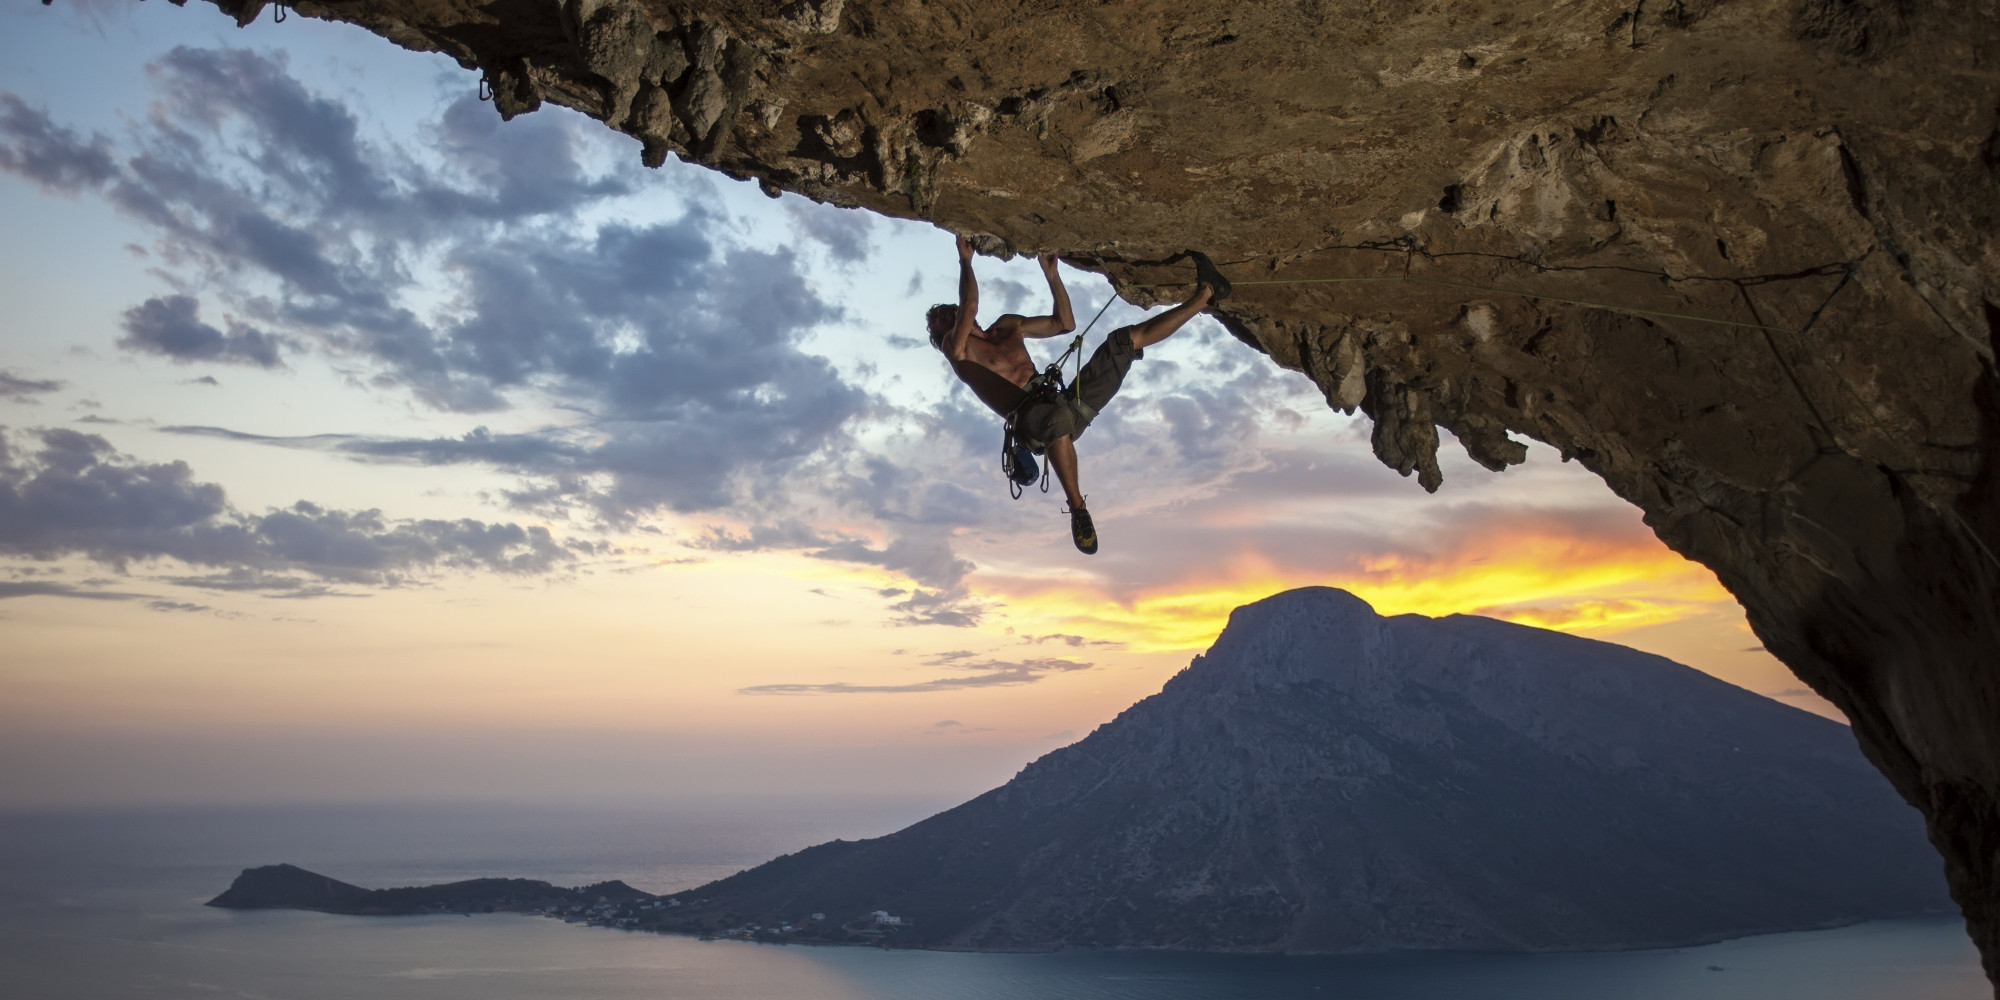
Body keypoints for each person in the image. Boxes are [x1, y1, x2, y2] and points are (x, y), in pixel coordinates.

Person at [927, 234, 1231, 554]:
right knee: (1055, 421)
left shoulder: (1008, 326)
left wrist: (1052, 276)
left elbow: (1065, 322)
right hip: (1032, 419)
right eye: (938, 324)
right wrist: (965, 261)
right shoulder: (957, 351)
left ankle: (1207, 294)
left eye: (944, 314)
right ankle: (1078, 510)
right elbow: (970, 304)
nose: (944, 321)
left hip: (1063, 404)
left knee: (1122, 342)